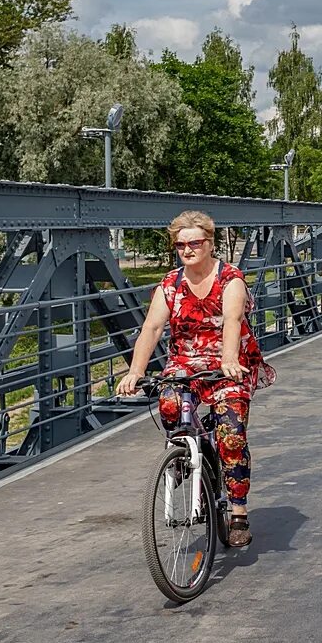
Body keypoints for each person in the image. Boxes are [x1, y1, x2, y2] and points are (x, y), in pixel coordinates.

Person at [116, 210, 276, 548]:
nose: (188, 249)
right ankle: (188, 453)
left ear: (210, 243)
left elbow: (232, 320)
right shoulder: (171, 285)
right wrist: (135, 371)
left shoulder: (229, 279)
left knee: (231, 435)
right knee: (170, 402)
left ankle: (238, 512)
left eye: (195, 242)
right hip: (186, 362)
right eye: (181, 244)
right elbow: (152, 328)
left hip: (227, 362)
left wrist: (230, 360)